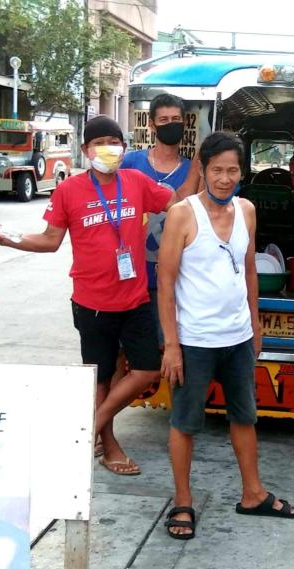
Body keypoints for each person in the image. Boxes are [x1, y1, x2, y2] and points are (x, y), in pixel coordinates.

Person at [0, 115, 175, 475]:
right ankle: (108, 445)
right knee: (101, 380)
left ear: (124, 148)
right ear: (85, 149)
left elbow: (173, 200)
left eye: (115, 142)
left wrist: (201, 174)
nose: (108, 149)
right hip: (92, 304)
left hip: (136, 299)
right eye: (100, 143)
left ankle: (86, 429)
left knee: (145, 371)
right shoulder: (69, 191)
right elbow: (49, 241)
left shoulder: (137, 181)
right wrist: (4, 237)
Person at [157, 131, 294, 540]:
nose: (225, 178)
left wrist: (254, 323)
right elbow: (165, 282)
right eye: (217, 169)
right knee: (185, 422)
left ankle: (253, 493)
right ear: (202, 169)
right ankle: (183, 501)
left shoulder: (247, 210)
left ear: (243, 172)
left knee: (245, 416)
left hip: (237, 337)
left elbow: (250, 270)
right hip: (194, 340)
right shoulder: (183, 215)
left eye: (233, 170)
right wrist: (171, 344)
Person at [110, 94, 202, 400]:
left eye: (177, 120)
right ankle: (102, 429)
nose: (171, 126)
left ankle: (178, 428)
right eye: (164, 120)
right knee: (118, 357)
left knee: (175, 353)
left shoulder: (194, 169)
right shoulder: (130, 163)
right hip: (129, 280)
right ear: (151, 125)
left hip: (172, 282)